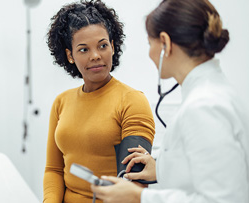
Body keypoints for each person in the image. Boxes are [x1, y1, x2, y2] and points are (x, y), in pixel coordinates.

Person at [91, 0, 249, 202]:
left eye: (150, 43)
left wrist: (140, 197)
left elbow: (224, 199)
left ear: (165, 42)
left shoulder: (204, 107)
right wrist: (162, 169)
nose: (150, 53)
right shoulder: (213, 93)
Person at [43, 1, 156, 202]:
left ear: (112, 47)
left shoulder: (132, 101)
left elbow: (134, 181)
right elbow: (53, 169)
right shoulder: (61, 102)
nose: (96, 56)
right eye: (84, 49)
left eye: (103, 46)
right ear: (70, 55)